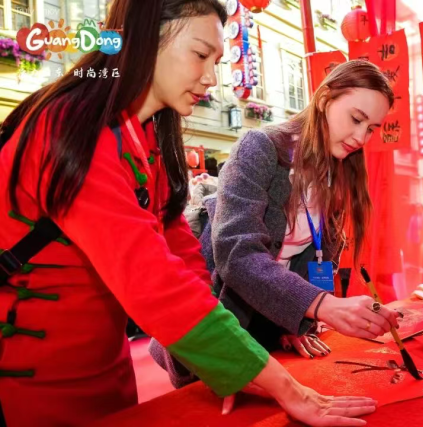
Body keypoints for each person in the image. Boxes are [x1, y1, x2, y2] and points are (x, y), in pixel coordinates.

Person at [0, 1, 378, 426]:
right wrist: (281, 385)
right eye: (200, 54)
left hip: (107, 369)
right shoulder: (71, 129)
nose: (212, 78)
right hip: (32, 378)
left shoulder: (147, 136)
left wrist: (231, 362)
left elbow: (182, 255)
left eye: (217, 61)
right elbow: (153, 280)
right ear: (146, 38)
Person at [150, 60, 401, 388]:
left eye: (371, 129)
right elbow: (237, 253)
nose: (360, 137)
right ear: (325, 99)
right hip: (220, 323)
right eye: (356, 119)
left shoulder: (338, 171)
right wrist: (320, 305)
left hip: (270, 327)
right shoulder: (259, 147)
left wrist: (297, 322)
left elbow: (315, 260)